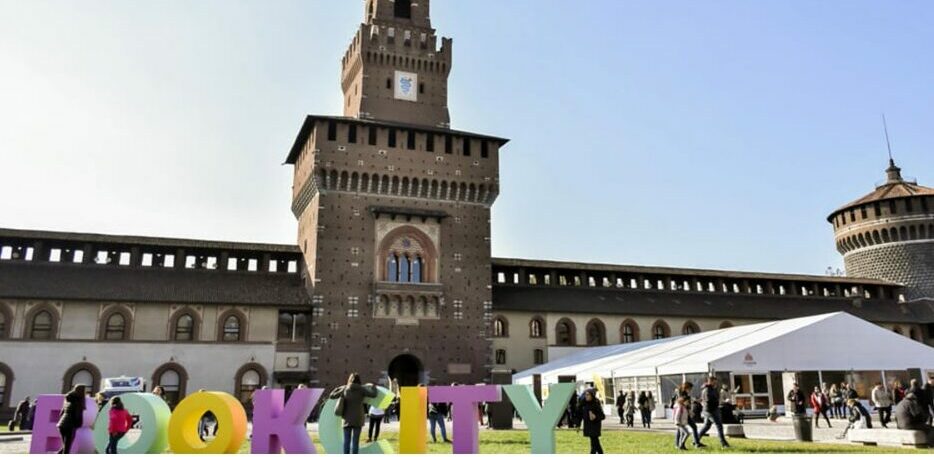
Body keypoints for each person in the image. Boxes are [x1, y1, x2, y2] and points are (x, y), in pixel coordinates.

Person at [329, 373, 377, 454]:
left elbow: (332, 396)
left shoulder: (345, 388)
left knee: (346, 442)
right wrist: (373, 386)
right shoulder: (362, 389)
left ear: (350, 379)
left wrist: (337, 388)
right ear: (359, 380)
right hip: (358, 419)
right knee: (355, 442)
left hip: (346, 419)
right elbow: (374, 394)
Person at [697, 377, 729, 448]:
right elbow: (708, 401)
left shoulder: (712, 389)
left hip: (712, 410)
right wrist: (716, 404)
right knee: (719, 425)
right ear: (710, 381)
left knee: (706, 426)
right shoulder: (707, 390)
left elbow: (715, 398)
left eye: (716, 382)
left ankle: (696, 440)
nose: (716, 383)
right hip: (710, 411)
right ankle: (724, 443)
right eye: (714, 382)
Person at [57, 384, 87, 454]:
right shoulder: (78, 402)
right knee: (67, 447)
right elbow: (77, 415)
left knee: (65, 446)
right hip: (70, 425)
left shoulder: (68, 399)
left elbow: (61, 413)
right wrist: (79, 424)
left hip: (61, 424)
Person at [578, 389, 605, 454]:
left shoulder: (596, 404)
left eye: (588, 395)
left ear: (592, 395)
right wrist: (577, 424)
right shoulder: (584, 403)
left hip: (595, 426)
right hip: (588, 426)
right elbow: (579, 414)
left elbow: (602, 416)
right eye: (585, 395)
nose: (586, 396)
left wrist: (595, 417)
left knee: (594, 443)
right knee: (596, 443)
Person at [677, 382, 704, 448]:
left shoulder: (683, 393)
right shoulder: (682, 394)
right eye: (690, 388)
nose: (690, 390)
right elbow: (683, 402)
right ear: (687, 388)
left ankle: (680, 444)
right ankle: (695, 443)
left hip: (685, 413)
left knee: (681, 429)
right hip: (683, 414)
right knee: (689, 428)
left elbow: (687, 401)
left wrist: (694, 400)